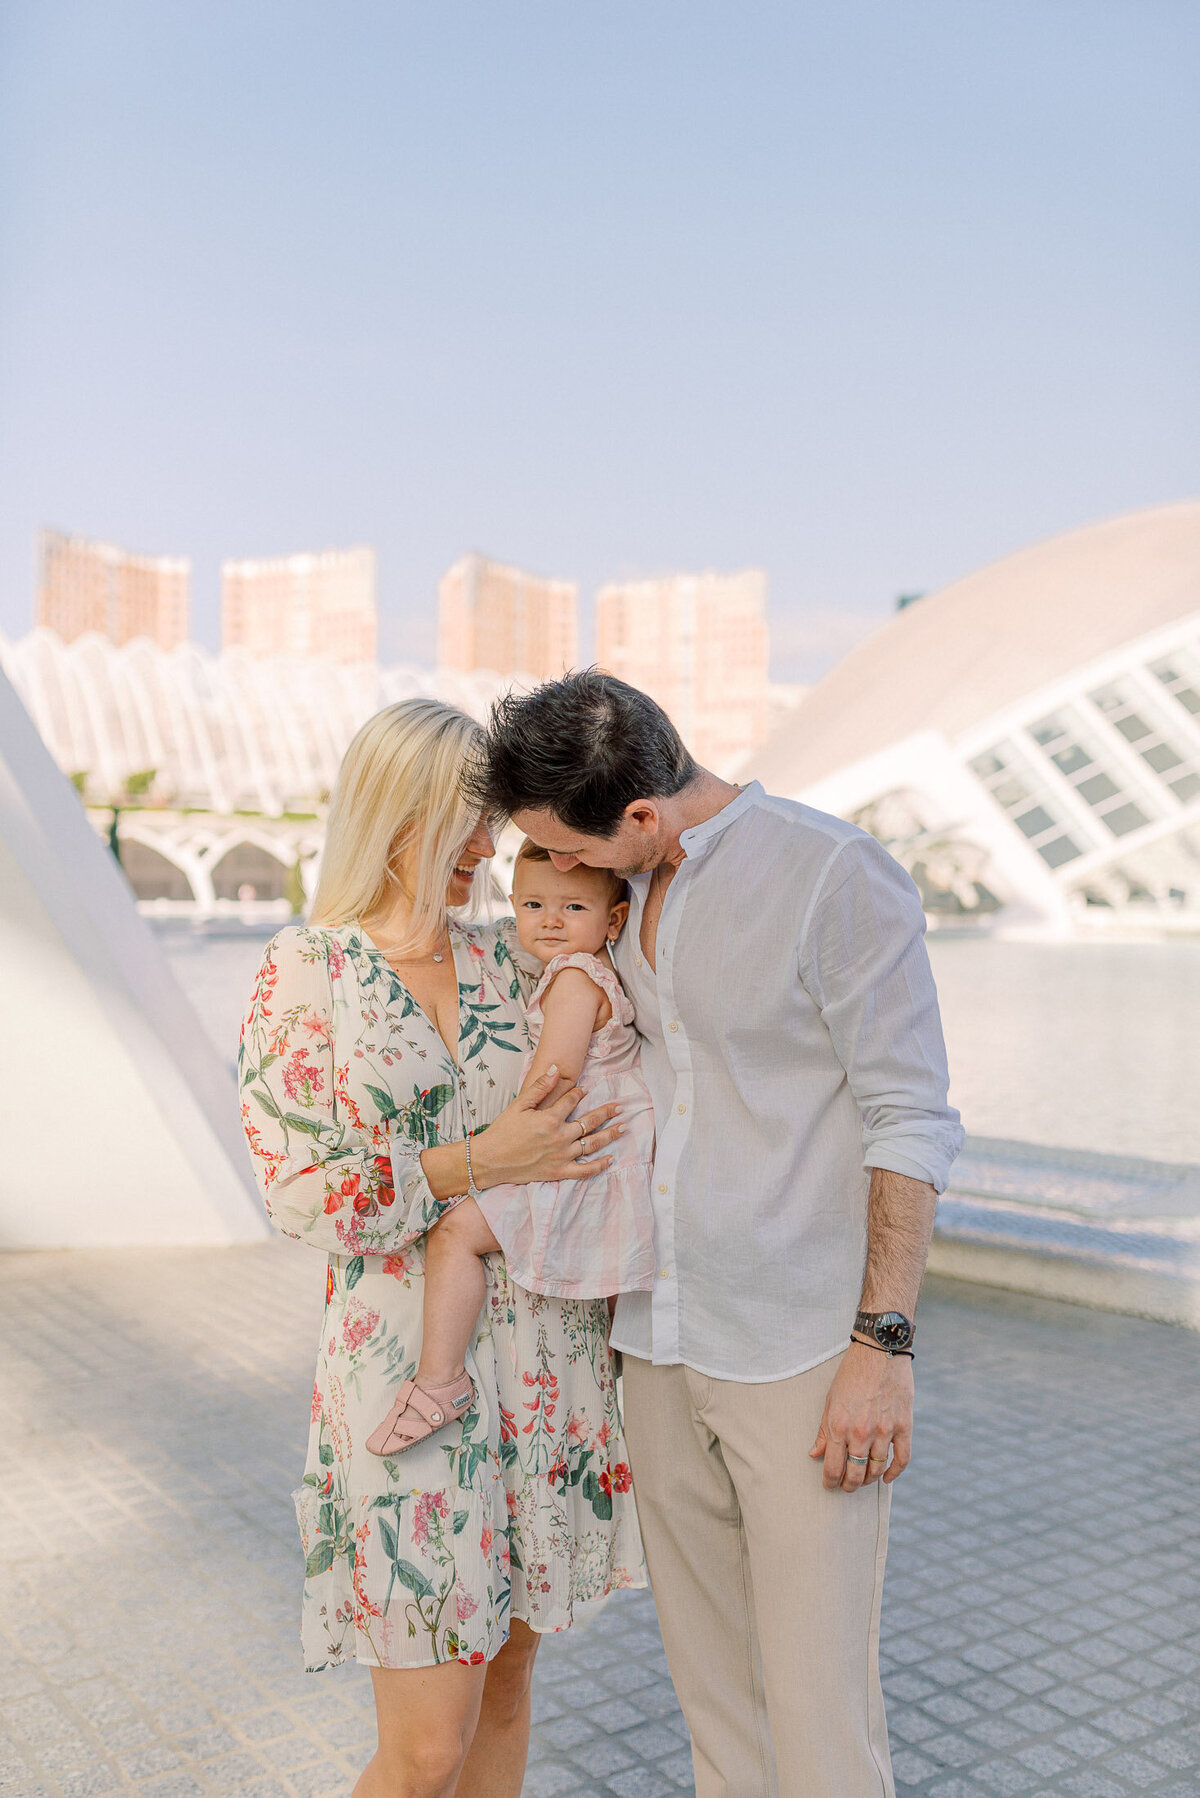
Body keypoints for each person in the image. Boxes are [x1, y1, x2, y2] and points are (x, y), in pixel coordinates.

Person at [470, 670, 965, 1798]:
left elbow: (911, 1117)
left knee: (817, 1701)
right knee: (714, 1699)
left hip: (800, 1347)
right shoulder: (624, 893)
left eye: (573, 848)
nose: (566, 874)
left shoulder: (835, 877)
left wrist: (881, 1347)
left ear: (641, 815)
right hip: (658, 1332)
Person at [238, 697, 644, 1798]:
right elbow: (298, 1193)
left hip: (551, 1368)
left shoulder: (520, 954)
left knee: (508, 1693)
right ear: (398, 811)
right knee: (424, 1749)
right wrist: (483, 1158)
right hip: (409, 1382)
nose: (490, 847)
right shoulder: (307, 969)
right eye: (469, 819)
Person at [368, 837, 657, 1454]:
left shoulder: (576, 980)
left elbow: (551, 1079)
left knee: (455, 1235)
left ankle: (439, 1381)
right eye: (531, 904)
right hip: (600, 1155)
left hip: (575, 1152)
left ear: (614, 919)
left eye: (573, 909)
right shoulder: (571, 970)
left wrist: (499, 1148)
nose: (549, 920)